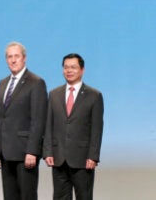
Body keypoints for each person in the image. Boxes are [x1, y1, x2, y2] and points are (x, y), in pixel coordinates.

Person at [43, 53, 104, 200]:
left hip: (83, 159)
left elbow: (96, 128)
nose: (69, 70)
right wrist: (48, 151)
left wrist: (93, 156)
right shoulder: (54, 94)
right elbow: (48, 125)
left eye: (73, 67)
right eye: (66, 67)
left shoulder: (94, 96)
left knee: (84, 196)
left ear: (82, 70)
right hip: (58, 158)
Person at [0, 42, 48, 200]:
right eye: (9, 57)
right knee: (9, 196)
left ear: (24, 58)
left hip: (25, 152)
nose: (13, 60)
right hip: (5, 152)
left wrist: (32, 150)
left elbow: (38, 120)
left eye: (16, 56)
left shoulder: (36, 82)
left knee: (27, 195)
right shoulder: (3, 83)